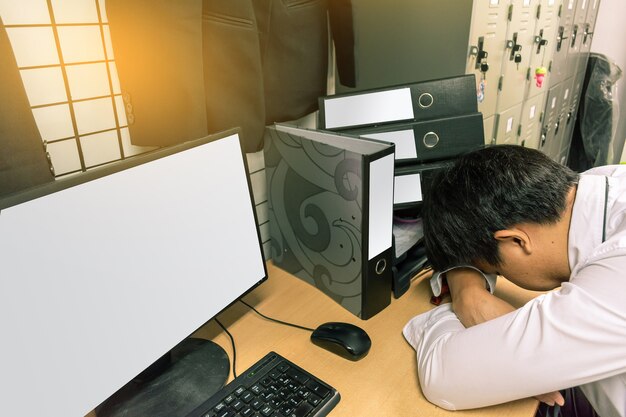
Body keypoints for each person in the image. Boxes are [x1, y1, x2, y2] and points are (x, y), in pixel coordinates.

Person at [402, 145, 626, 417]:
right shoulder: (599, 184)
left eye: (495, 269)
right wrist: (468, 288)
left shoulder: (616, 278)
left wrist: (462, 303)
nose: (498, 276)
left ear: (517, 241)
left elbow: (444, 377)